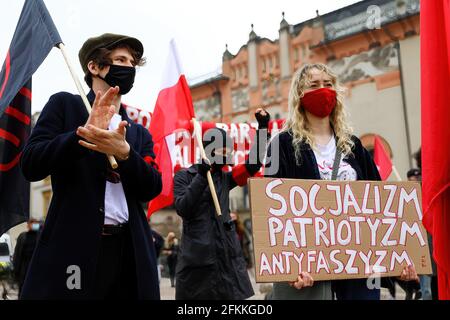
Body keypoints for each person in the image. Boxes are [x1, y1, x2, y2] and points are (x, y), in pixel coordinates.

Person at [19, 33, 162, 300]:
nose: (129, 67)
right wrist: (81, 135)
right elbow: (31, 163)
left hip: (128, 250)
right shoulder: (65, 105)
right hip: (75, 249)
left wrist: (126, 154)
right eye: (120, 59)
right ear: (94, 66)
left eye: (132, 62)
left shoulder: (139, 133)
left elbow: (152, 186)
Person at [264, 63, 418, 300]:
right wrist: (289, 266)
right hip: (309, 266)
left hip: (360, 268)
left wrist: (400, 261)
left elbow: (382, 208)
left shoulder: (354, 147)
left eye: (328, 84)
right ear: (299, 95)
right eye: (314, 85)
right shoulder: (280, 145)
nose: (323, 90)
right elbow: (271, 208)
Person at [173, 109, 270, 300]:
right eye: (222, 150)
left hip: (227, 261)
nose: (227, 154)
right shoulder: (184, 176)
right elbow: (183, 207)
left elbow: (253, 164)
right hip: (198, 264)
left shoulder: (225, 178)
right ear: (209, 149)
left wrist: (263, 128)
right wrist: (201, 177)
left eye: (229, 150)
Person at [12, 219, 40, 296]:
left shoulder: (40, 237)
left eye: (35, 224)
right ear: (28, 225)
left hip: (35, 267)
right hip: (24, 267)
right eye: (31, 223)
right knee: (23, 289)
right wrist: (16, 269)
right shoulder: (23, 236)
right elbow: (17, 254)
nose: (34, 225)